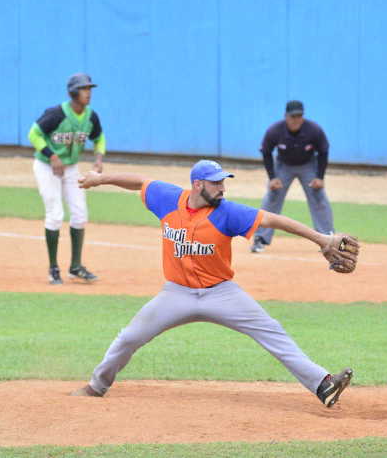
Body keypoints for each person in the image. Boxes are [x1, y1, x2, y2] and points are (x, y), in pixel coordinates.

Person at [69, 159, 356, 408]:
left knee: (271, 331)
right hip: (176, 293)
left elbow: (273, 220)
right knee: (130, 337)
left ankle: (323, 384)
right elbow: (140, 181)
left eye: (223, 182)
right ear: (197, 185)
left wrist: (321, 239)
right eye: (216, 183)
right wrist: (98, 179)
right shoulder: (167, 198)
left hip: (222, 293)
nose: (222, 188)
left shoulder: (228, 212)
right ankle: (96, 386)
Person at [28, 72, 106, 285]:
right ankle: (53, 269)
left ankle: (75, 267)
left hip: (70, 168)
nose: (88, 93)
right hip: (47, 168)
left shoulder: (91, 116)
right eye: (84, 89)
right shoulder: (56, 114)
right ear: (73, 92)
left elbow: (99, 138)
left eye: (89, 89)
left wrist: (98, 158)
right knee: (55, 214)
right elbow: (34, 134)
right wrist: (51, 156)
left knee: (80, 215)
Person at [251, 100, 334, 253]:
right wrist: (272, 177)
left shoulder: (313, 130)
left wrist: (319, 177)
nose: (296, 119)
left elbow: (323, 151)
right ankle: (260, 238)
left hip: (308, 165)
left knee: (318, 196)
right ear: (286, 116)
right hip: (283, 166)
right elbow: (266, 152)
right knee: (272, 196)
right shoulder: (275, 130)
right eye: (293, 116)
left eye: (299, 116)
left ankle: (328, 238)